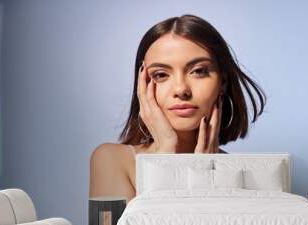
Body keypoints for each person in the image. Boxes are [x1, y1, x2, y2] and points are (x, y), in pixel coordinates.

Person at [89, 14, 266, 202]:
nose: (181, 89)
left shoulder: (244, 173)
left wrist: (204, 175)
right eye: (161, 74)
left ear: (222, 82)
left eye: (199, 71)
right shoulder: (111, 160)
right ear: (142, 85)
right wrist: (164, 154)